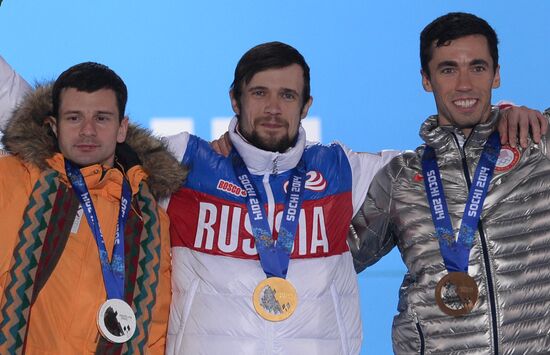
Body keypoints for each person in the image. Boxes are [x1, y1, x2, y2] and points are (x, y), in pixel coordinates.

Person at [162, 41, 544, 355]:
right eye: (259, 93)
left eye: (288, 95)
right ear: (235, 100)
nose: (273, 109)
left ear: (306, 105)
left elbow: (453, 159)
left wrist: (509, 120)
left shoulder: (343, 170)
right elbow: (108, 143)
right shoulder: (186, 161)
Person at [349, 12, 550, 354]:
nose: (464, 85)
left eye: (477, 67)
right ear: (426, 80)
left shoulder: (537, 144)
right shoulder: (400, 178)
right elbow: (333, 261)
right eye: (447, 69)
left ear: (497, 74)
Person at [0, 62, 185, 354]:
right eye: (74, 118)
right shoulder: (12, 179)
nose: (88, 131)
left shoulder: (148, 217)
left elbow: (154, 329)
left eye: (101, 118)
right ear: (53, 125)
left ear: (122, 128)